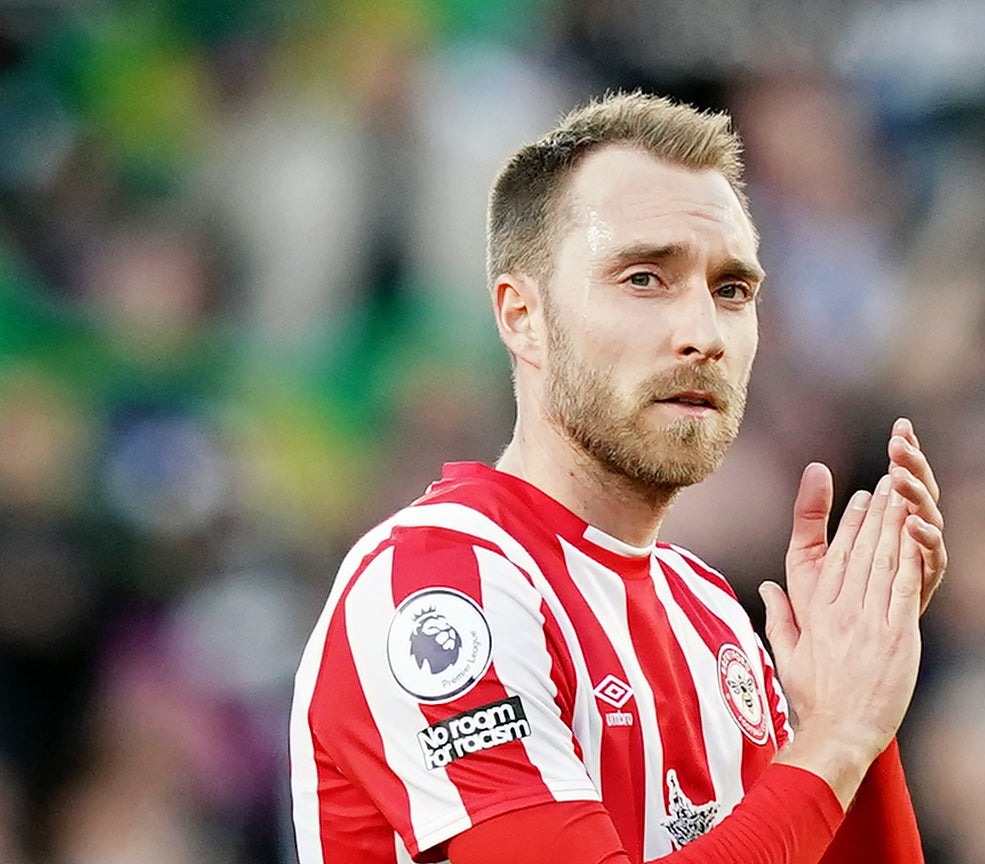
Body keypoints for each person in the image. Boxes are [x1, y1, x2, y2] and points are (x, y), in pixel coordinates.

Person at [290, 92, 948, 864]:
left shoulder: (713, 616)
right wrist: (834, 740)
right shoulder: (437, 588)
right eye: (644, 278)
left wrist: (859, 713)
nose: (703, 333)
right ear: (521, 316)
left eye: (731, 290)